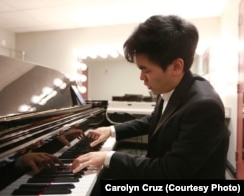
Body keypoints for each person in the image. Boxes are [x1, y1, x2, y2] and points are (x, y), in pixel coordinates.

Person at [70, 14, 230, 180]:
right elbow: (155, 119)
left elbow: (170, 172)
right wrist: (111, 130)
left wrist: (109, 157)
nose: (141, 78)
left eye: (146, 70)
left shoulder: (204, 107)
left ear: (176, 66)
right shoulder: (173, 86)